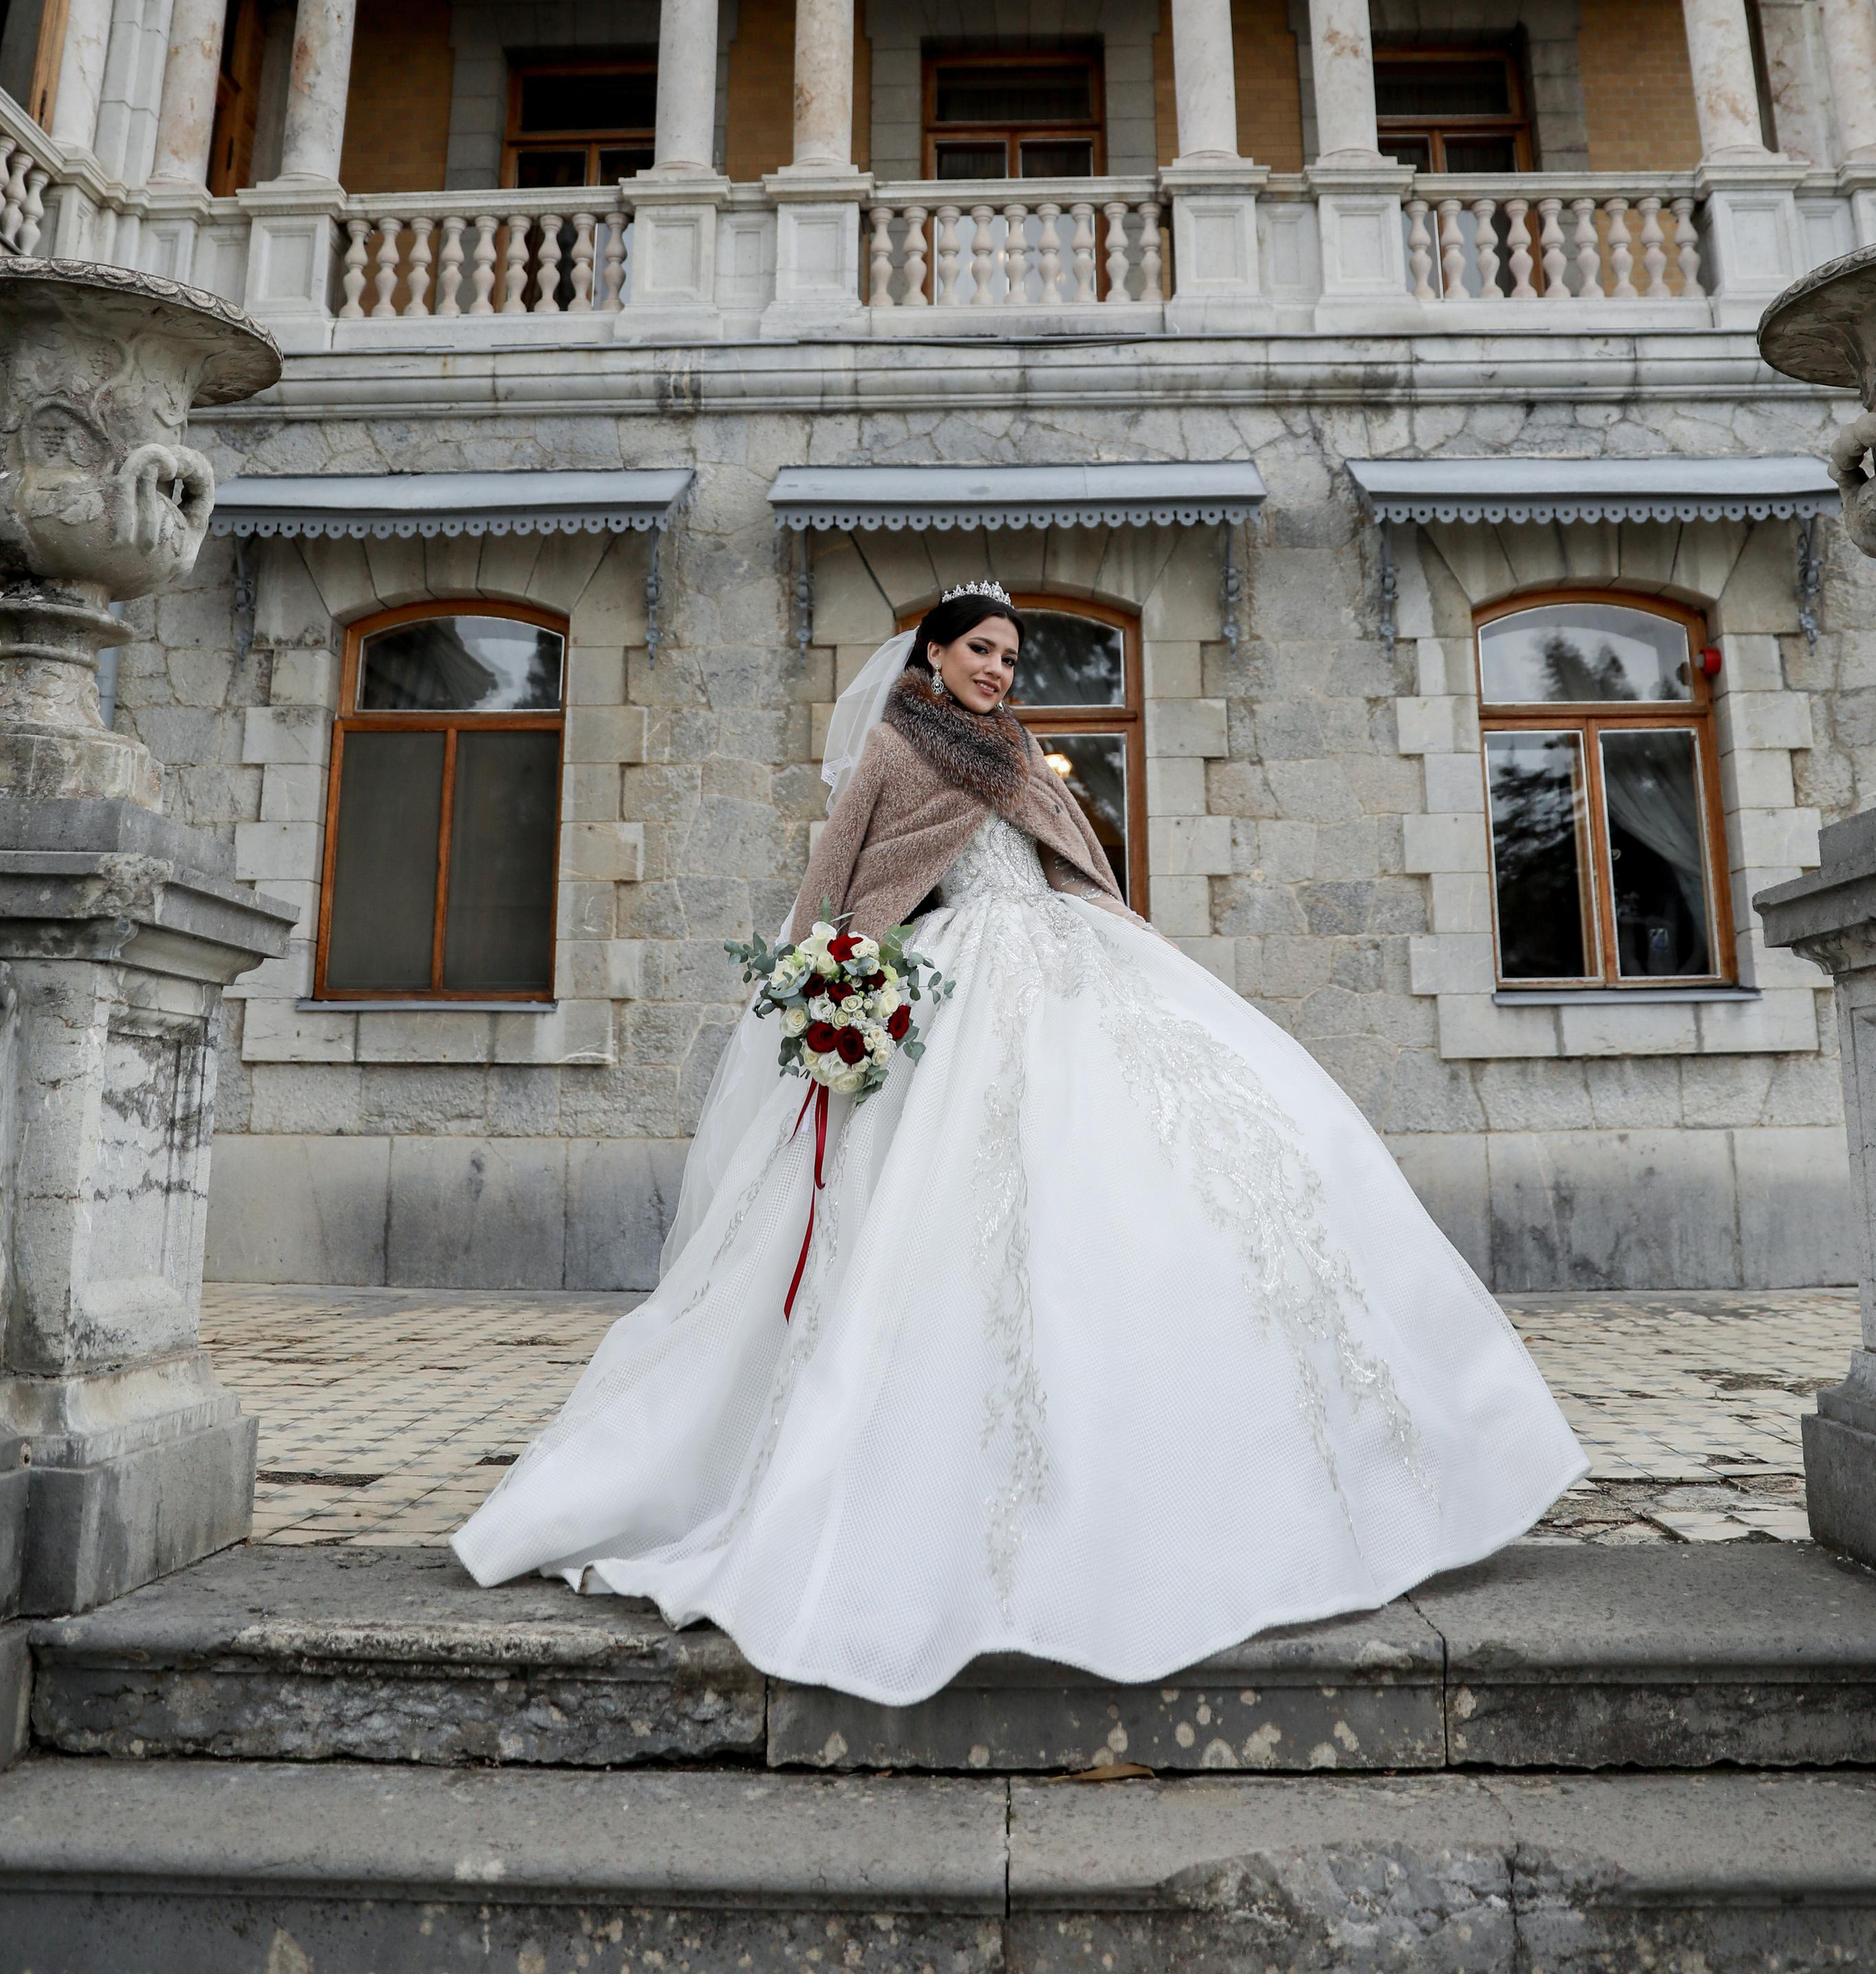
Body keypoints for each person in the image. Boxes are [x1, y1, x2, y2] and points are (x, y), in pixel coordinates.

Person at [454, 584, 1584, 1705]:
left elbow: (1067, 858)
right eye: (982, 650)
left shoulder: (1018, 747)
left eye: (1009, 657)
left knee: (1195, 1160)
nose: (998, 669)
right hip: (955, 980)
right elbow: (831, 887)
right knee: (950, 1213)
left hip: (1070, 962)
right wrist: (828, 989)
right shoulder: (896, 744)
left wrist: (1116, 925)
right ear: (934, 655)